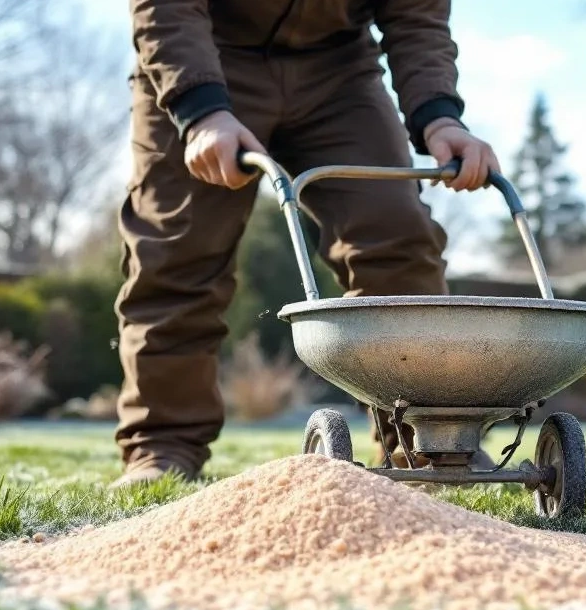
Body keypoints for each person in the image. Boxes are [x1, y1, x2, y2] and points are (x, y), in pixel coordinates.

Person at [113, 0, 502, 488]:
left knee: (398, 242)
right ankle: (161, 447)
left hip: (338, 74)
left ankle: (422, 443)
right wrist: (200, 109)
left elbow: (416, 13)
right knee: (177, 251)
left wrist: (440, 116)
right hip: (205, 55)